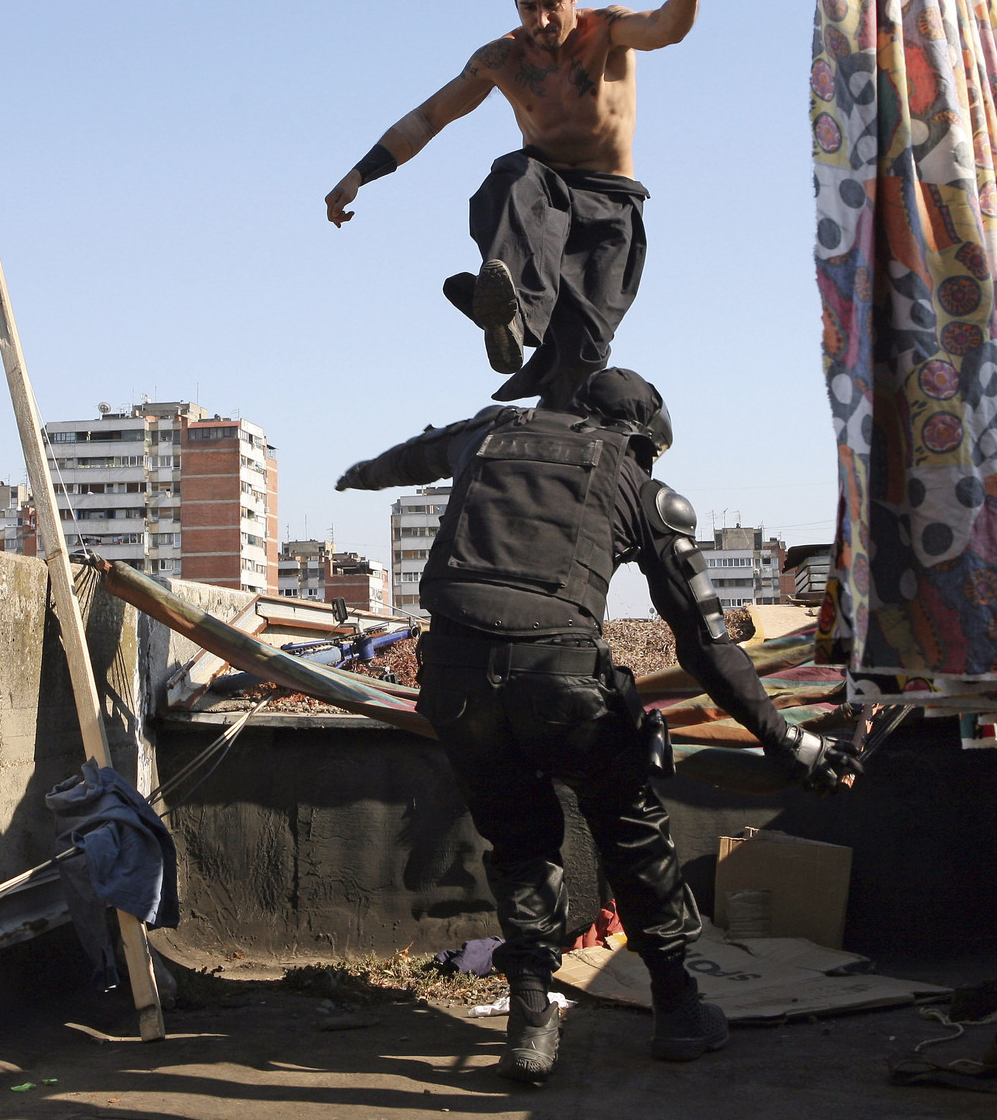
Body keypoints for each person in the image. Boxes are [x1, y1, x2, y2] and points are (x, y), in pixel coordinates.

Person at [335, 369, 857, 1084]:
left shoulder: (488, 431)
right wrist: (789, 739)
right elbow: (706, 644)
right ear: (642, 439)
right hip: (561, 683)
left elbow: (408, 458)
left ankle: (529, 1020)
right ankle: (677, 1008)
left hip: (453, 680)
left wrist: (352, 474)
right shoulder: (640, 485)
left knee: (518, 842)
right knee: (630, 826)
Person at [323, 0, 711, 408]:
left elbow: (663, 28)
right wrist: (359, 174)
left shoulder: (608, 29)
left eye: (552, 5)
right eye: (528, 8)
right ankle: (511, 313)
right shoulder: (501, 58)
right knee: (513, 174)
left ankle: (554, 412)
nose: (541, 21)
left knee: (584, 352)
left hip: (611, 202)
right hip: (544, 197)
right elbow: (428, 118)